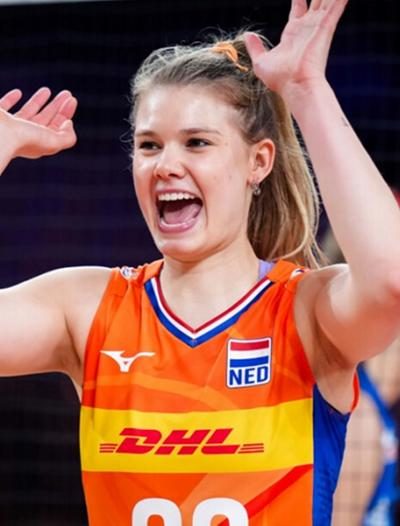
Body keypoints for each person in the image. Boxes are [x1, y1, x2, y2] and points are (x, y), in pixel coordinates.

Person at [0, 0, 399, 524]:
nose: (167, 165)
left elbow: (390, 281)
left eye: (197, 143)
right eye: (149, 145)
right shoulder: (87, 308)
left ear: (259, 161)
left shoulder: (305, 313)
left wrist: (307, 92)